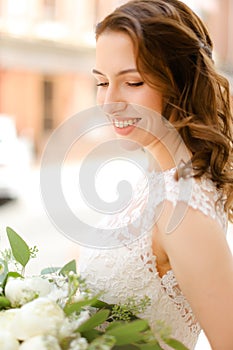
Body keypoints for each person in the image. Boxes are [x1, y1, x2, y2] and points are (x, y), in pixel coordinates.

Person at [78, 1, 233, 349]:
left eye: (132, 82)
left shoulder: (184, 207)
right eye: (102, 82)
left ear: (179, 83)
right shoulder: (155, 177)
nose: (109, 101)